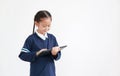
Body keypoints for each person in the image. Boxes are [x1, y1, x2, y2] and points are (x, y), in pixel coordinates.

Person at [19, 10, 61, 76]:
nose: (47, 28)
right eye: (44, 26)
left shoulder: (52, 38)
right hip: (36, 73)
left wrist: (55, 53)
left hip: (50, 73)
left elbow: (58, 56)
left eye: (49, 26)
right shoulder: (31, 39)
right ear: (36, 24)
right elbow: (22, 55)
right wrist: (37, 53)